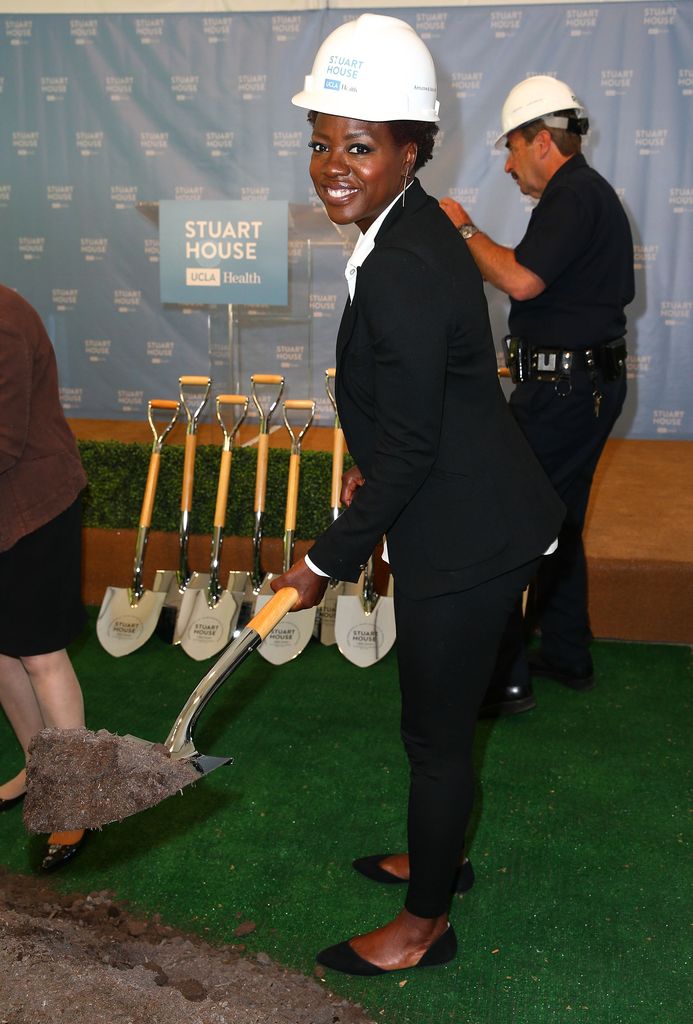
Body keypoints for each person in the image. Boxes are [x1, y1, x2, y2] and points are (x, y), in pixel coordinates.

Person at [268, 15, 565, 976]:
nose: (330, 166)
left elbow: (409, 453)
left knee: (433, 738)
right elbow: (421, 404)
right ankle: (434, 852)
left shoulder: (401, 259)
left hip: (469, 533)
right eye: (320, 143)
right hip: (471, 502)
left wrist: (320, 561)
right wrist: (378, 461)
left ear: (410, 148)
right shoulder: (410, 224)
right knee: (436, 730)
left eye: (359, 145)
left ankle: (423, 922)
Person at [440, 75, 634, 716]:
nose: (507, 162)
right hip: (578, 385)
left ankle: (504, 679)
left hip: (564, 390)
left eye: (512, 147)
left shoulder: (574, 195)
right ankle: (568, 655)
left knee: (510, 520)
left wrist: (464, 231)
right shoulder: (583, 195)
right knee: (559, 520)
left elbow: (521, 281)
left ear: (541, 141)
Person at [0, 283, 90, 871]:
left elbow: (3, 443)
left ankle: (77, 799)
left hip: (35, 508)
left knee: (39, 655)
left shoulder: (5, 321)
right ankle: (41, 767)